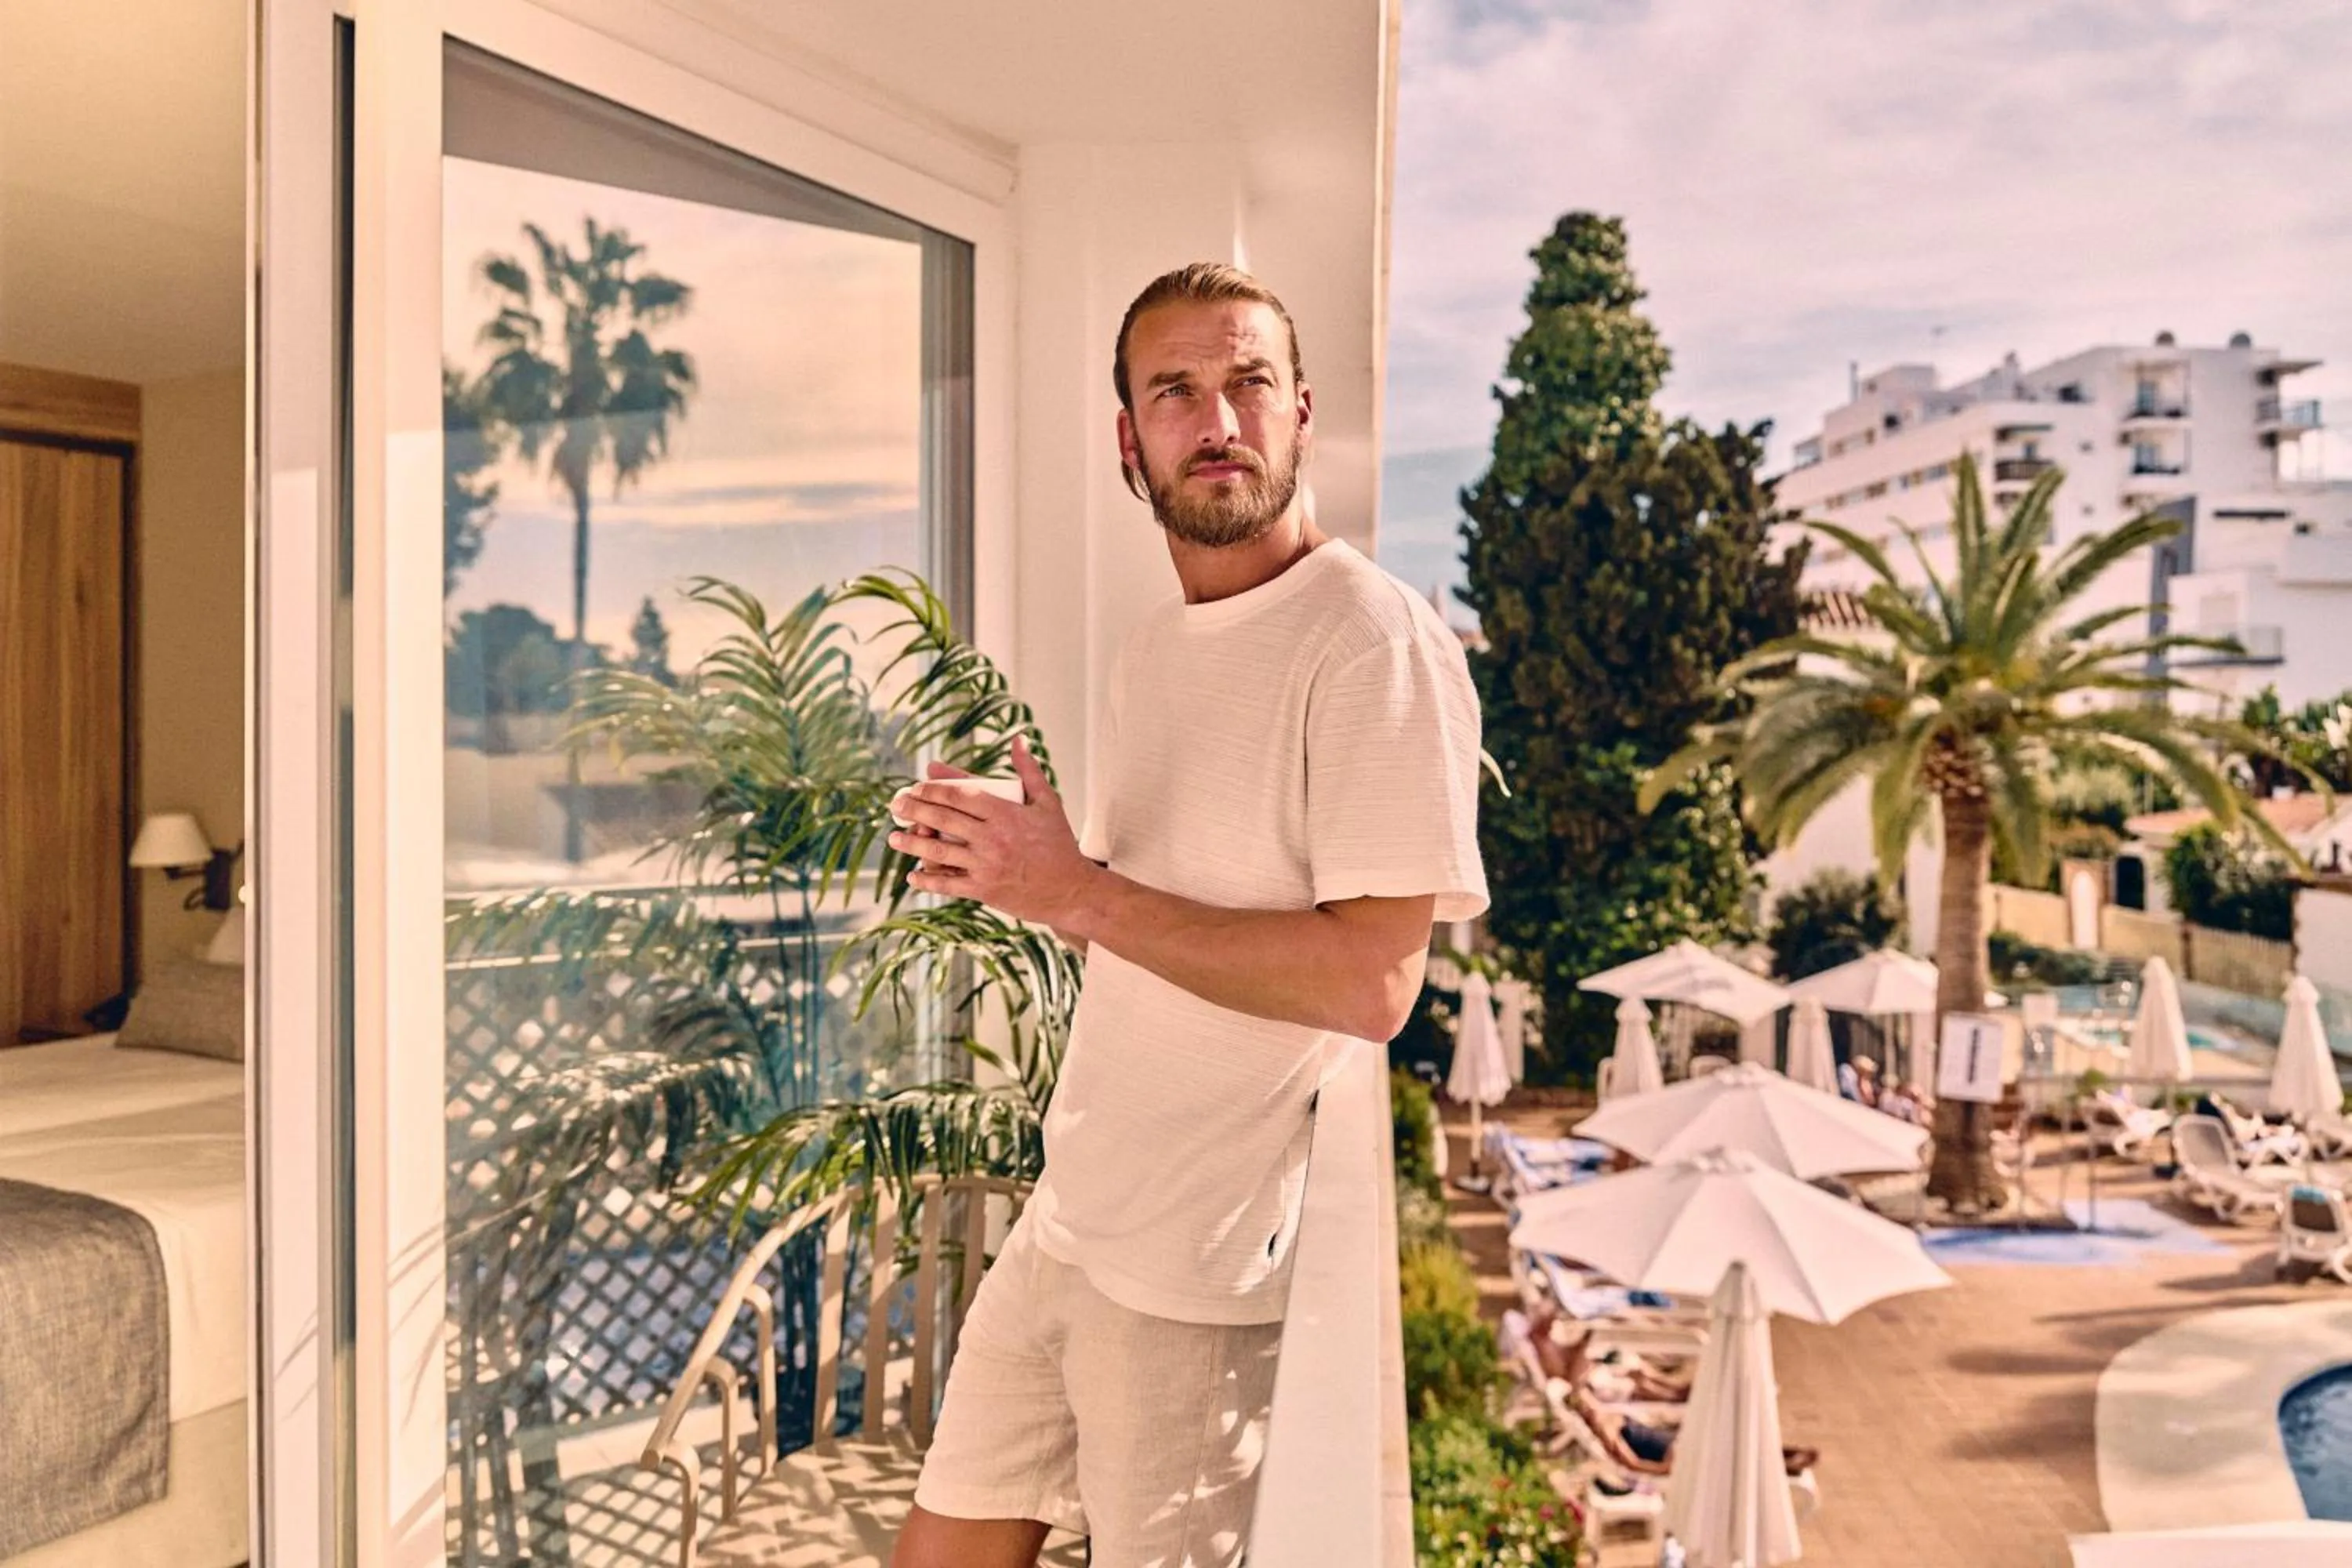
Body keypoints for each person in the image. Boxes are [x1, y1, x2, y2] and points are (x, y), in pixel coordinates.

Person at [890, 263, 1490, 1568]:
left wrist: (1078, 892)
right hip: (1077, 1210)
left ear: (1301, 414)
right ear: (1130, 441)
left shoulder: (1372, 642)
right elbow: (1143, 920)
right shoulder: (1154, 649)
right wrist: (1020, 877)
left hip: (1198, 1275)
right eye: (1176, 390)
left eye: (1247, 383)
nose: (1216, 418)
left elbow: (1373, 983)